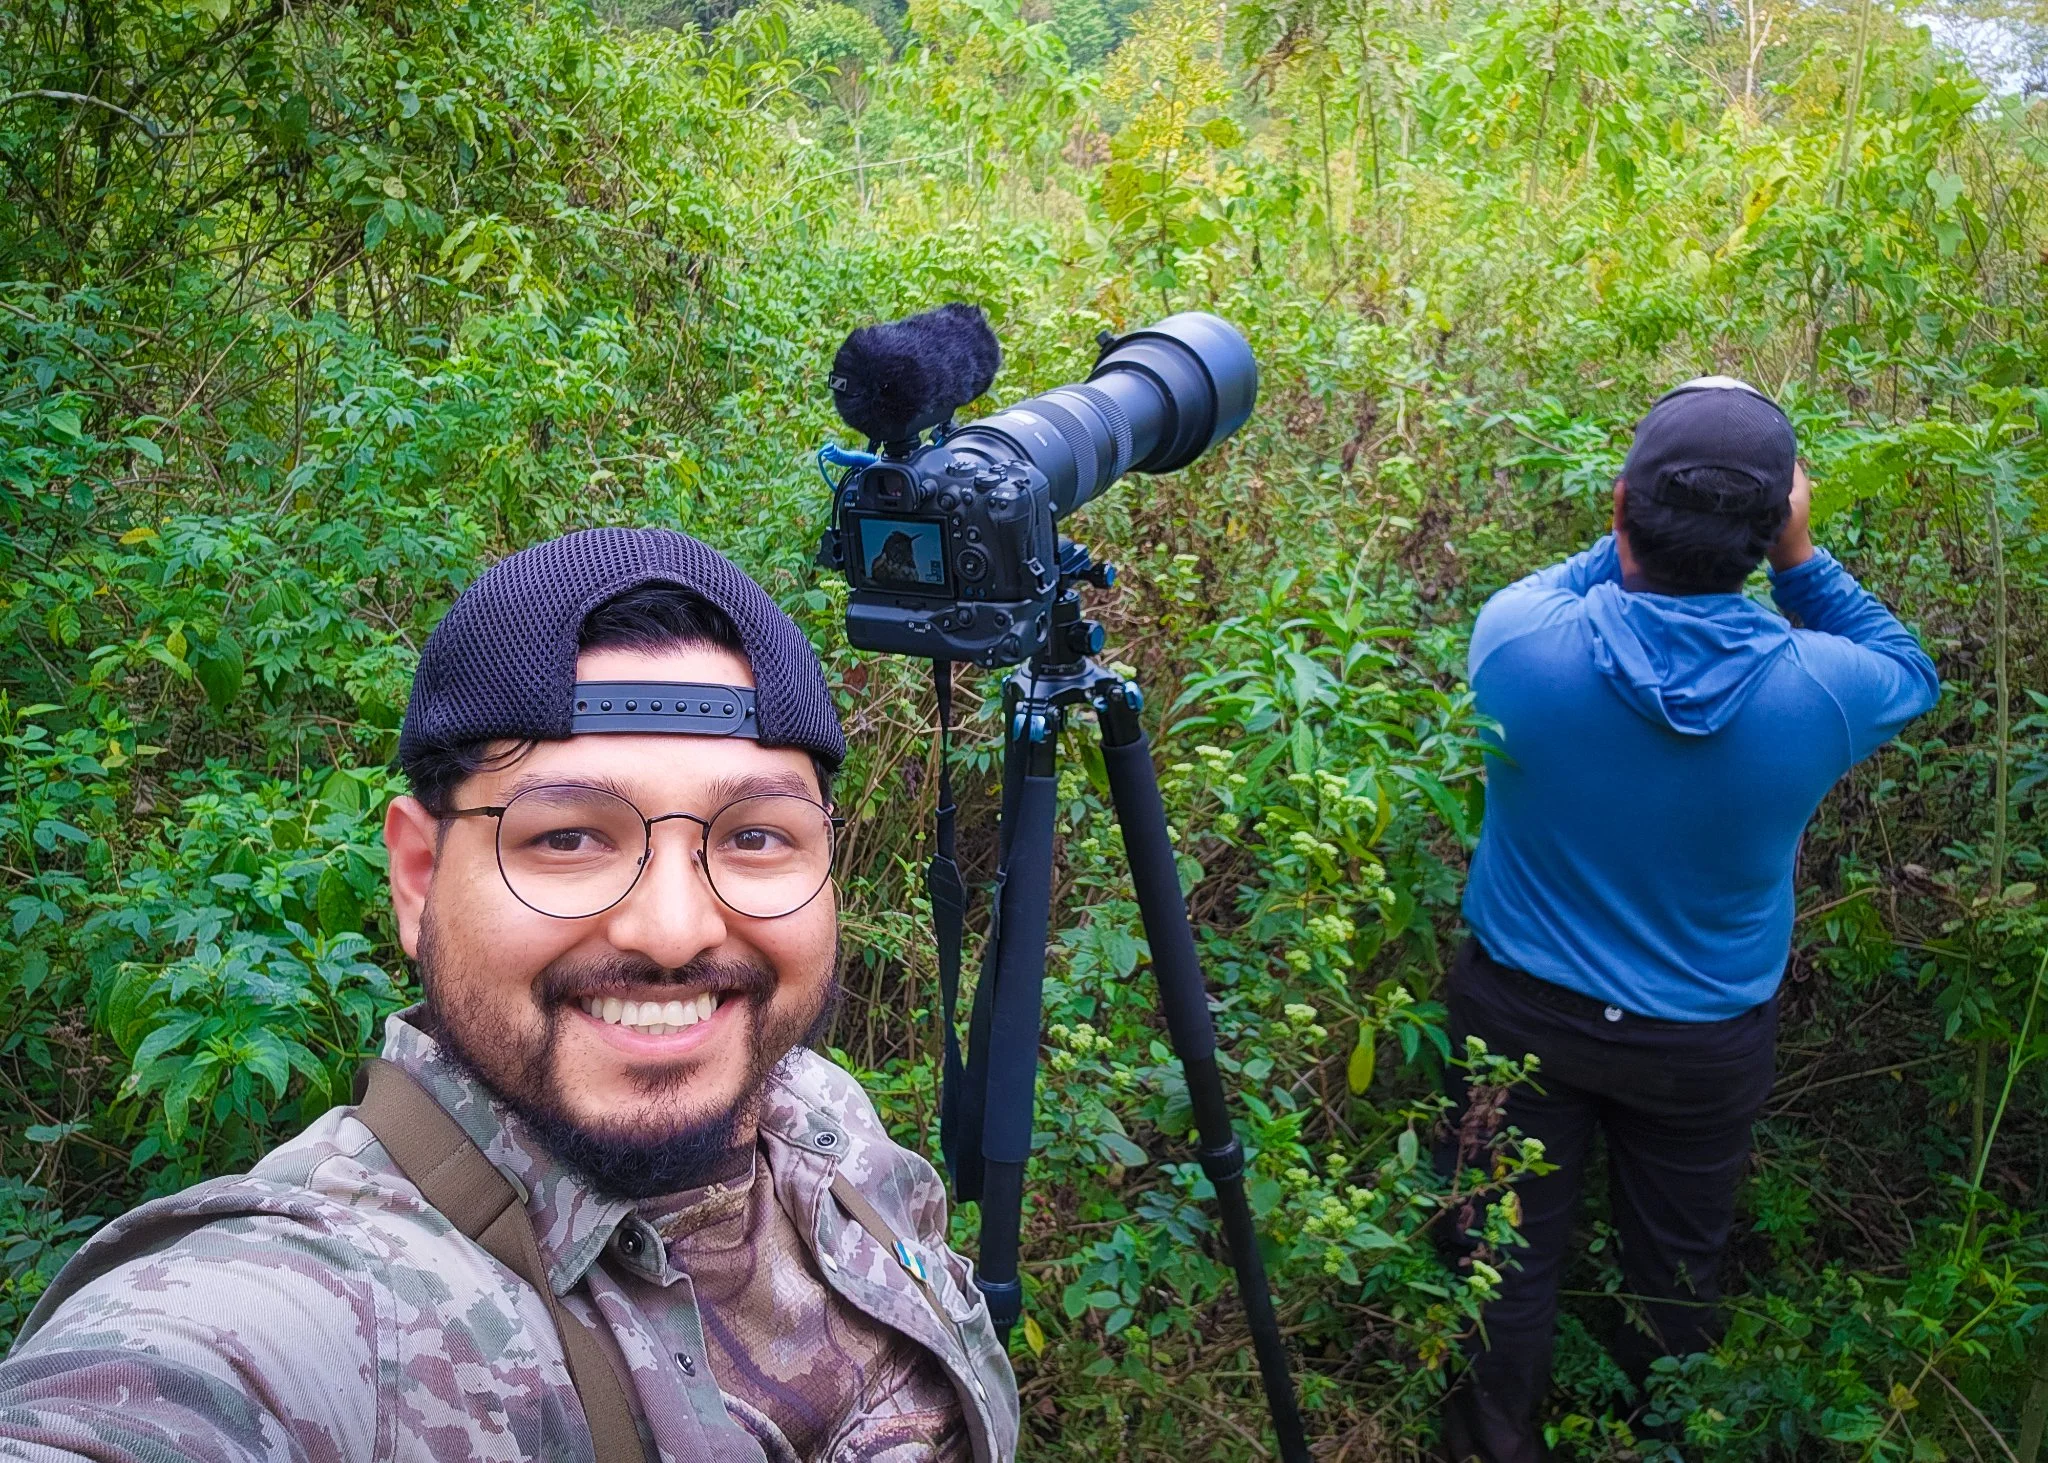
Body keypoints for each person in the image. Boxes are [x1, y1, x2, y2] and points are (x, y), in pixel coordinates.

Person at [0, 528, 1019, 1463]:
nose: (674, 930)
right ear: (417, 875)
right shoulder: (301, 1317)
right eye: (567, 836)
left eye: (755, 836)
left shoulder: (821, 1119)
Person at [1436, 380, 1941, 1463]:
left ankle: (1488, 1441)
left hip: (1515, 1013)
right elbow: (1910, 668)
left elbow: (1571, 579)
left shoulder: (1516, 641)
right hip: (1698, 1043)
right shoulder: (1825, 688)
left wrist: (1649, 515)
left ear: (1620, 507)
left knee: (1499, 1258)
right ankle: (1659, 1436)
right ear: (1770, 532)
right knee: (1674, 1268)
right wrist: (1795, 556)